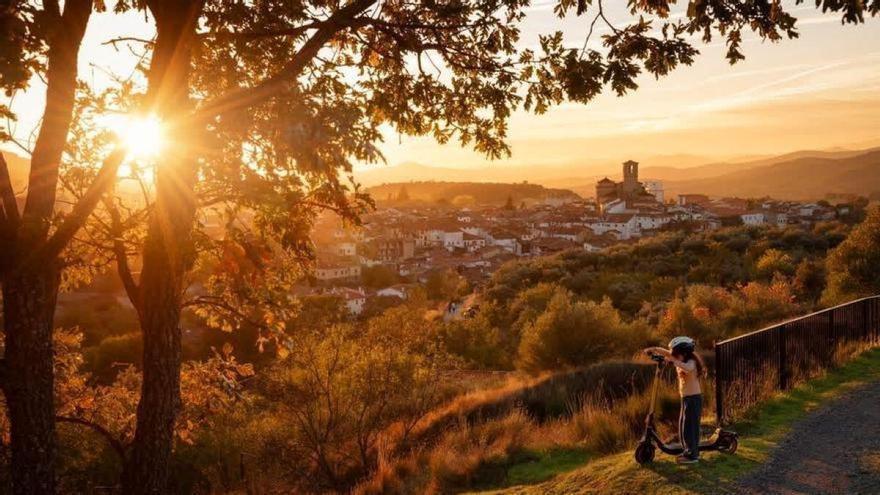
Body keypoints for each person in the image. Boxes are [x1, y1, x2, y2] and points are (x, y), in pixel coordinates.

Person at [643, 336, 705, 464]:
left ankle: (693, 456)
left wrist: (672, 361)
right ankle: (687, 451)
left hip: (693, 399)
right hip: (686, 398)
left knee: (690, 428)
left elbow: (686, 368)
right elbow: (667, 353)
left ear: (685, 353)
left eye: (677, 355)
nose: (674, 356)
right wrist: (653, 349)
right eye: (674, 355)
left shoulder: (691, 363)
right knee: (683, 426)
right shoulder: (680, 359)